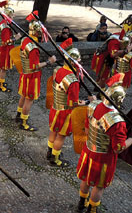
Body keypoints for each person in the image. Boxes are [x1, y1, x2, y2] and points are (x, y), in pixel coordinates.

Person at [76, 73, 132, 213]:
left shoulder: (93, 106)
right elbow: (118, 148)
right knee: (99, 186)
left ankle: (81, 203)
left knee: (87, 179)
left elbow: (88, 128)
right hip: (103, 158)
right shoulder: (117, 122)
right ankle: (92, 209)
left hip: (89, 149)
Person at [47, 38, 95, 167]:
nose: (80, 61)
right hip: (65, 112)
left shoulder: (59, 70)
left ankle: (50, 151)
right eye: (78, 60)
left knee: (53, 131)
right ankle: (55, 158)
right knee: (61, 136)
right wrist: (86, 102)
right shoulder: (72, 80)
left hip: (55, 107)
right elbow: (73, 102)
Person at [15, 12, 56, 131]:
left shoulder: (25, 40)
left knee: (24, 95)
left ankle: (18, 115)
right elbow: (34, 66)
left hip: (25, 74)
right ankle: (24, 122)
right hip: (31, 76)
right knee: (29, 99)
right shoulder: (32, 47)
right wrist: (49, 62)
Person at [0, 0, 21, 92]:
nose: (14, 16)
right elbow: (6, 41)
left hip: (2, 49)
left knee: (0, 67)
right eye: (12, 14)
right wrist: (16, 38)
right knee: (3, 69)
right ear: (9, 15)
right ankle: (1, 85)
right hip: (5, 50)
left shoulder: (4, 23)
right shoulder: (5, 27)